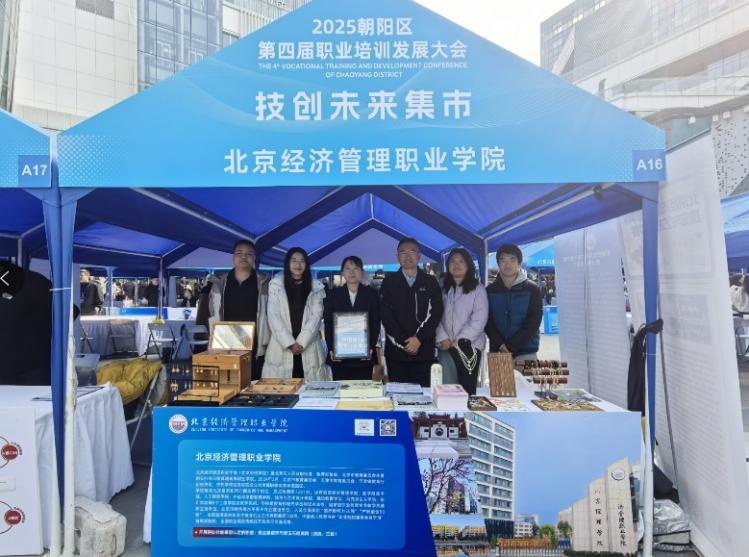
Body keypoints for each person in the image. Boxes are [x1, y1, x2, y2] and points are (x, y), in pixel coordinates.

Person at [201, 241, 271, 379]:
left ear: (255, 257)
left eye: (249, 254)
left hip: (257, 345)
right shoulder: (220, 283)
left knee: (254, 383)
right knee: (229, 383)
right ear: (233, 257)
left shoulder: (265, 284)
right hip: (227, 343)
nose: (244, 257)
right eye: (239, 253)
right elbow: (212, 313)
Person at [380, 238, 443, 387]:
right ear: (397, 257)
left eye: (412, 252)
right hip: (396, 355)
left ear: (419, 256)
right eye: (403, 252)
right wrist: (405, 343)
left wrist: (418, 339)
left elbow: (436, 313)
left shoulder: (430, 282)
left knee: (424, 396)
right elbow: (386, 316)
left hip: (424, 352)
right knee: (397, 395)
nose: (408, 256)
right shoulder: (389, 282)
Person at [263, 248, 328, 381]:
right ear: (287, 263)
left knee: (310, 387)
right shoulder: (276, 285)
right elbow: (273, 315)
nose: (298, 264)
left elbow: (316, 317)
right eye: (294, 260)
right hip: (282, 345)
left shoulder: (316, 287)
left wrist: (301, 342)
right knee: (282, 388)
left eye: (302, 261)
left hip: (309, 345)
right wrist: (289, 343)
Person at [435, 248, 488, 394]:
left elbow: (479, 318)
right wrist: (442, 337)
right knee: (447, 390)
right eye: (452, 261)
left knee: (466, 391)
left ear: (468, 265)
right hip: (446, 346)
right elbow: (434, 315)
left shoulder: (478, 289)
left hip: (469, 348)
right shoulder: (442, 289)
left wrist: (459, 341)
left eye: (461, 261)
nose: (456, 265)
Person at [323, 256, 381, 380]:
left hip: (364, 356)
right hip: (340, 357)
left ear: (361, 272)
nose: (352, 272)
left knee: (362, 389)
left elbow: (375, 323)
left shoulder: (371, 294)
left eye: (355, 268)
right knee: (341, 389)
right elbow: (328, 323)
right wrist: (332, 348)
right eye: (348, 268)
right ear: (342, 272)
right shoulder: (333, 295)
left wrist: (370, 346)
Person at [485, 244, 543, 361]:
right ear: (498, 263)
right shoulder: (489, 291)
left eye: (512, 260)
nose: (507, 265)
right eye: (503, 260)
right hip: (498, 351)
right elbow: (487, 320)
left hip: (526, 352)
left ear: (519, 263)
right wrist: (501, 344)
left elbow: (534, 321)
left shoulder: (532, 289)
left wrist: (511, 345)